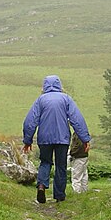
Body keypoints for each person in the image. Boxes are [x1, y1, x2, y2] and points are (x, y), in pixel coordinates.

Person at [22, 75, 91, 203]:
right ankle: (59, 196)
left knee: (45, 162)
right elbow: (77, 120)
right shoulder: (66, 99)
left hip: (44, 138)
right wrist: (85, 139)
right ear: (59, 85)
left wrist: (28, 141)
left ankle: (41, 186)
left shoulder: (41, 100)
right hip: (62, 138)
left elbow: (30, 122)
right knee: (61, 166)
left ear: (44, 86)